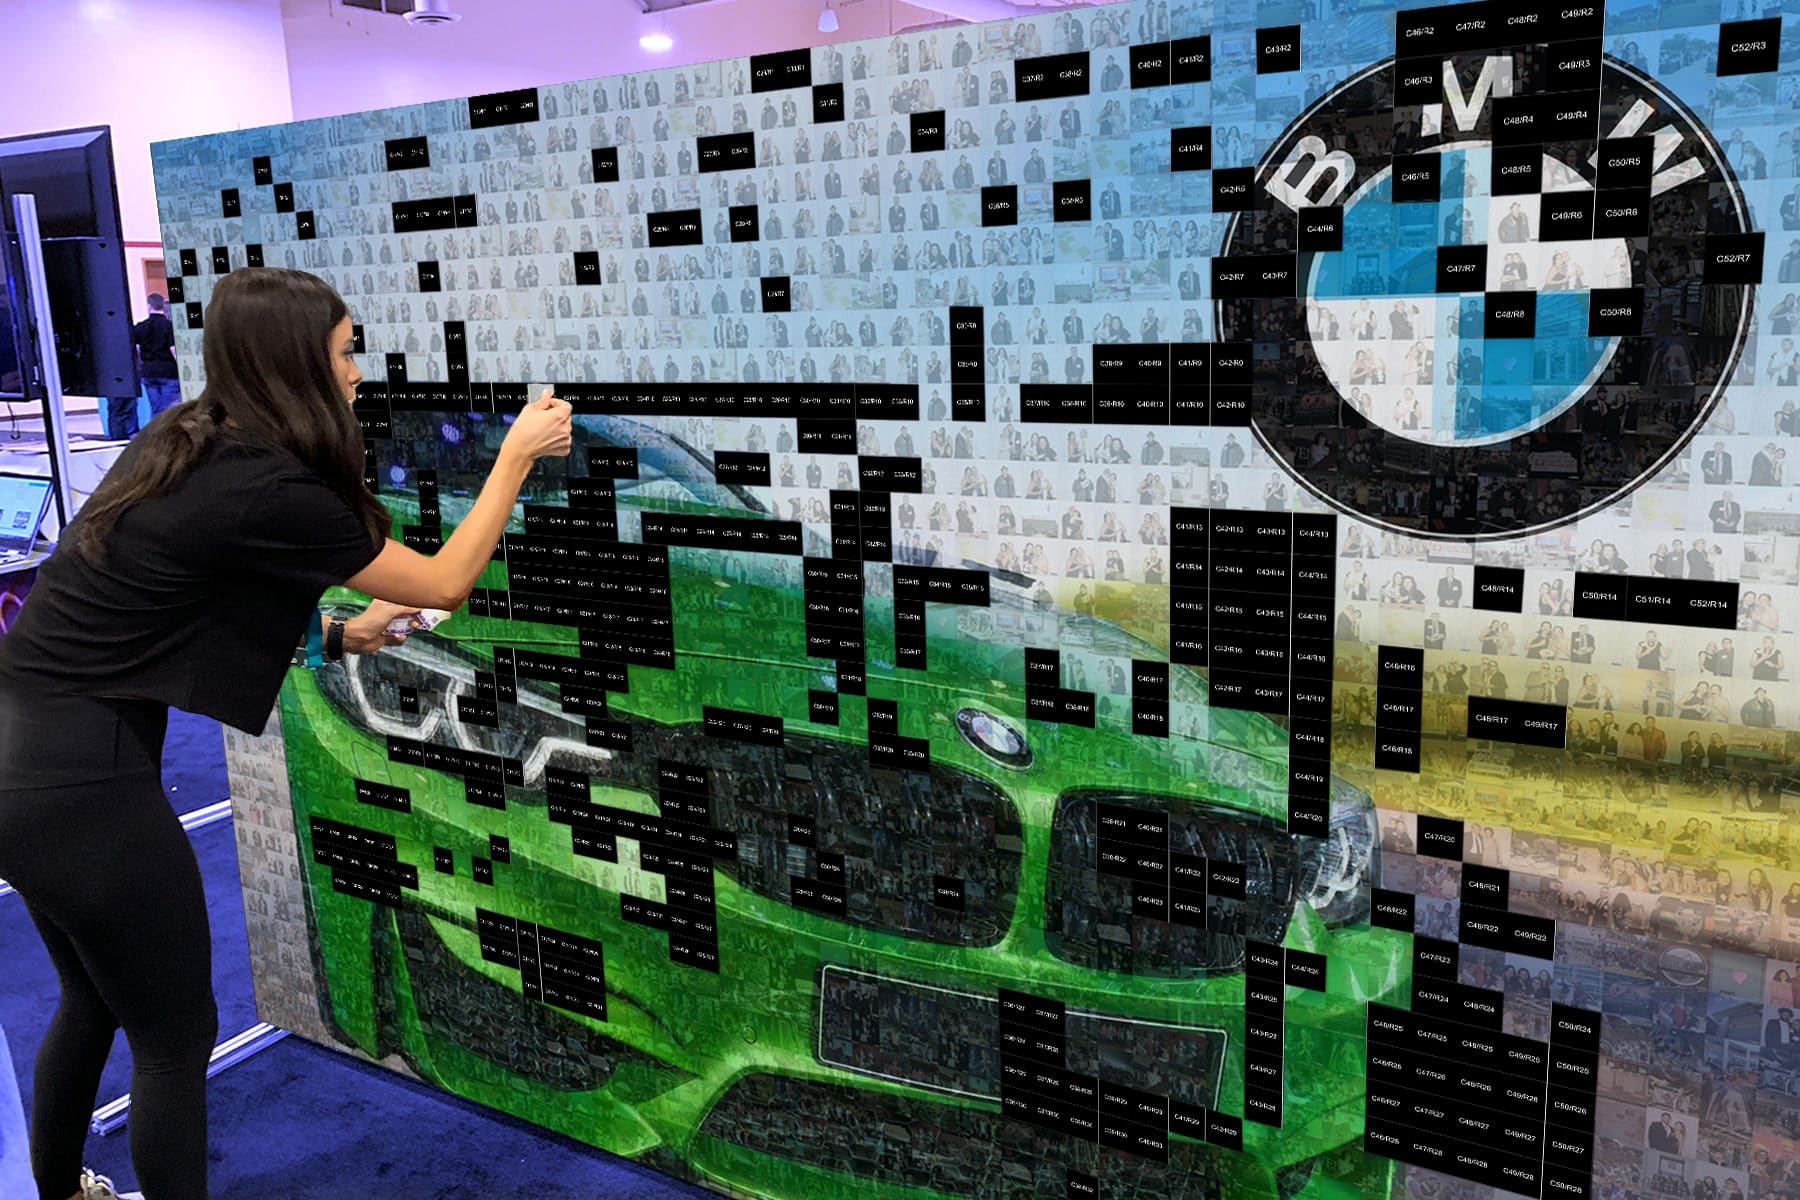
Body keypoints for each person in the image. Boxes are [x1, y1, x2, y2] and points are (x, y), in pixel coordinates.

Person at [0, 269, 573, 1200]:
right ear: (298, 360)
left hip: (19, 755)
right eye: (346, 352)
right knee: (177, 1042)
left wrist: (344, 633)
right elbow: (444, 584)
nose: (355, 374)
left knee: (93, 998)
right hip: (83, 787)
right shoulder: (267, 486)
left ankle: (62, 1190)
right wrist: (514, 456)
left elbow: (181, 597)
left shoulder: (186, 440)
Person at [132, 294, 183, 422]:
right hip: (168, 371)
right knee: (169, 409)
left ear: (149, 305)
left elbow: (136, 350)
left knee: (155, 408)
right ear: (163, 306)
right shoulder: (169, 326)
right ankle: (168, 436)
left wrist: (141, 365)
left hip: (149, 371)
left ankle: (154, 435)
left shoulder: (140, 327)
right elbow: (173, 350)